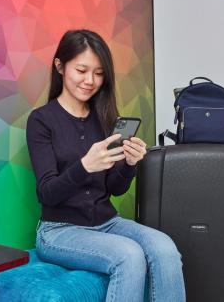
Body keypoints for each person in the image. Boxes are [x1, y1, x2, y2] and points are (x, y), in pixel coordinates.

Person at [26, 29, 186, 302]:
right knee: (129, 256)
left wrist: (129, 164)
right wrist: (85, 165)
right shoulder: (41, 121)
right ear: (60, 66)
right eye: (82, 70)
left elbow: (114, 188)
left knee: (165, 247)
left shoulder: (104, 118)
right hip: (59, 230)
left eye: (99, 73)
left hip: (107, 223)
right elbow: (46, 192)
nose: (90, 81)